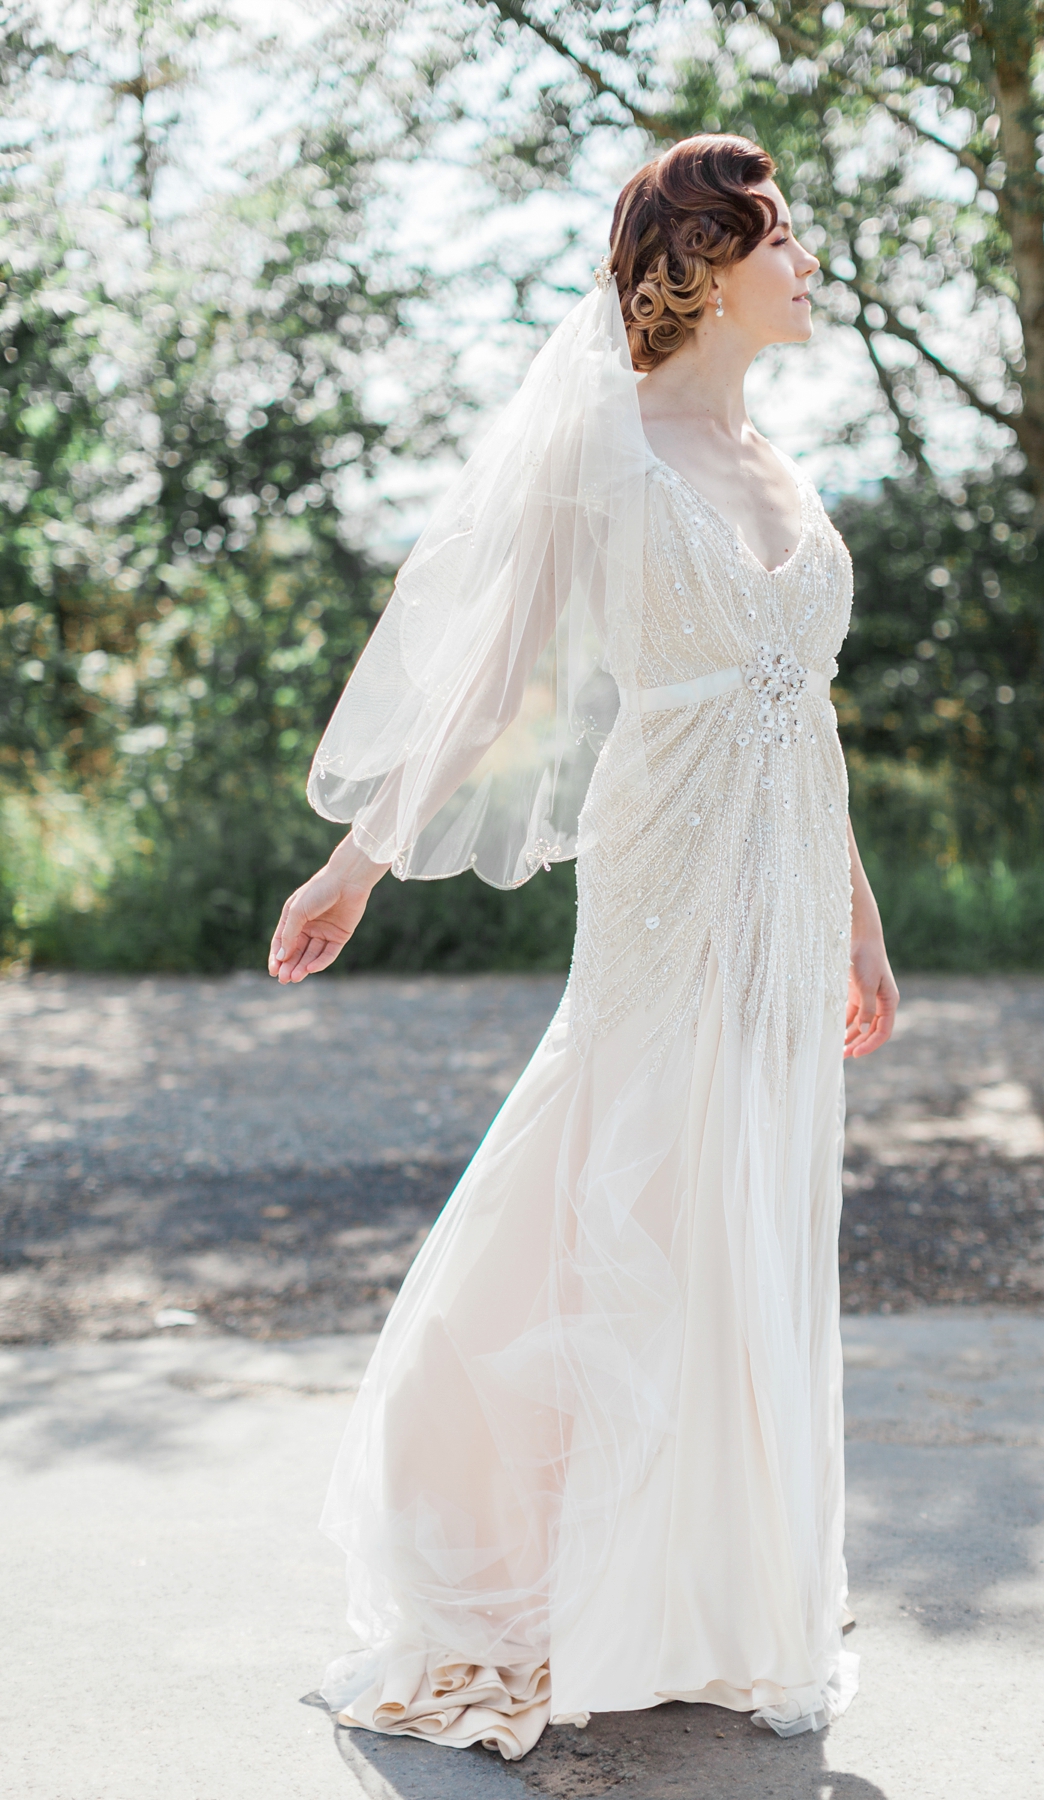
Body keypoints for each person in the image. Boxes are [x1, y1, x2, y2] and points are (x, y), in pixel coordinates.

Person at [269, 133, 898, 1761]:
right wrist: (360, 860)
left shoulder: (777, 464)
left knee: (743, 1206)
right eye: (787, 241)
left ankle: (698, 1593)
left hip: (778, 893)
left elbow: (800, 719)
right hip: (666, 878)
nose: (810, 265)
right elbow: (487, 681)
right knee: (625, 1185)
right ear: (699, 263)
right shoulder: (602, 451)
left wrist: (860, 920)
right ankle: (547, 1578)